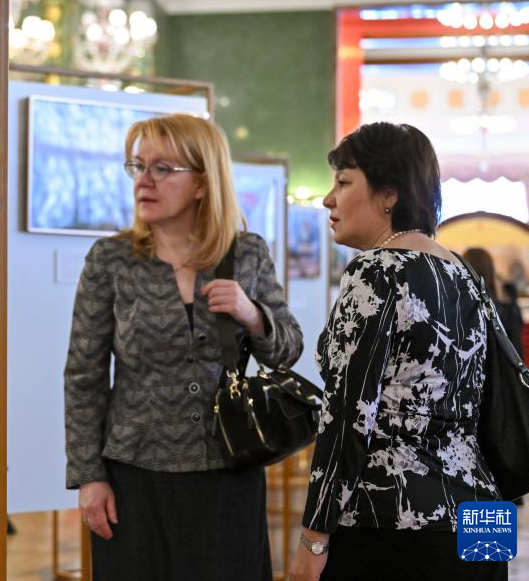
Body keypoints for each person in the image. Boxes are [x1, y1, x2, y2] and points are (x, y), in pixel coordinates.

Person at [64, 114, 302, 581]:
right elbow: (83, 376)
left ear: (202, 183)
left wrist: (252, 314)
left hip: (228, 472)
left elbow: (288, 349)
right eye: (138, 166)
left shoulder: (246, 252)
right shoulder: (110, 260)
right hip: (134, 477)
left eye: (162, 169)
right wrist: (89, 476)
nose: (144, 181)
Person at [290, 122, 505, 581]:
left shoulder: (376, 271)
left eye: (343, 182)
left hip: (395, 514)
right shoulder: (465, 274)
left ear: (389, 195)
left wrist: (313, 537)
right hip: (484, 510)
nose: (328, 199)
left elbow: (347, 414)